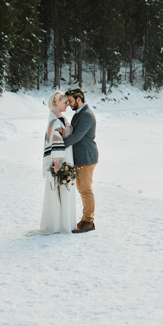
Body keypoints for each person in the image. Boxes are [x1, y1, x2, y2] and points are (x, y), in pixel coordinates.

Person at [40, 91, 78, 233]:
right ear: (57, 102)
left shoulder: (57, 117)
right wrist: (56, 162)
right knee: (61, 189)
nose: (67, 104)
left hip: (64, 156)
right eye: (65, 102)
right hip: (61, 159)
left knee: (61, 189)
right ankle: (61, 223)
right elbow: (55, 139)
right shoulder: (56, 119)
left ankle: (61, 221)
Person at [64, 88, 98, 233]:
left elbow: (77, 135)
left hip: (86, 156)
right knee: (81, 189)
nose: (69, 104)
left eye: (70, 101)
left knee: (86, 190)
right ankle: (85, 219)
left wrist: (59, 144)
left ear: (79, 99)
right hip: (80, 157)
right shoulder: (79, 114)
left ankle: (89, 221)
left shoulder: (87, 116)